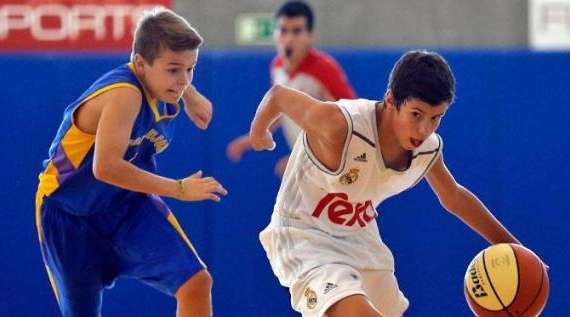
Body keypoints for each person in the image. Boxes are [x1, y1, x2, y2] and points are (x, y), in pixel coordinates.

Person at [249, 50, 532, 317]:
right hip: (303, 234)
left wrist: (514, 247)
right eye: (416, 114)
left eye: (436, 118)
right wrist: (260, 132)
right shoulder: (341, 126)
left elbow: (454, 197)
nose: (424, 129)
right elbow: (278, 96)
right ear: (391, 100)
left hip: (359, 236)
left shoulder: (426, 150)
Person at [35, 8, 226, 317]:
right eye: (174, 70)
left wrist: (188, 93)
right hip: (68, 212)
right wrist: (178, 188)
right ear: (139, 63)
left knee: (196, 282)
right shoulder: (125, 94)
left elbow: (173, 71)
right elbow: (106, 167)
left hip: (126, 205)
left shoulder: (162, 83)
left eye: (191, 69)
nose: (183, 79)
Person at [227, 0, 356, 176]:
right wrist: (253, 137)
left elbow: (350, 120)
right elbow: (281, 108)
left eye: (296, 31)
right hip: (307, 161)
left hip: (333, 165)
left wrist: (310, 158)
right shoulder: (277, 67)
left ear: (310, 36)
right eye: (283, 30)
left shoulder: (325, 69)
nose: (289, 39)